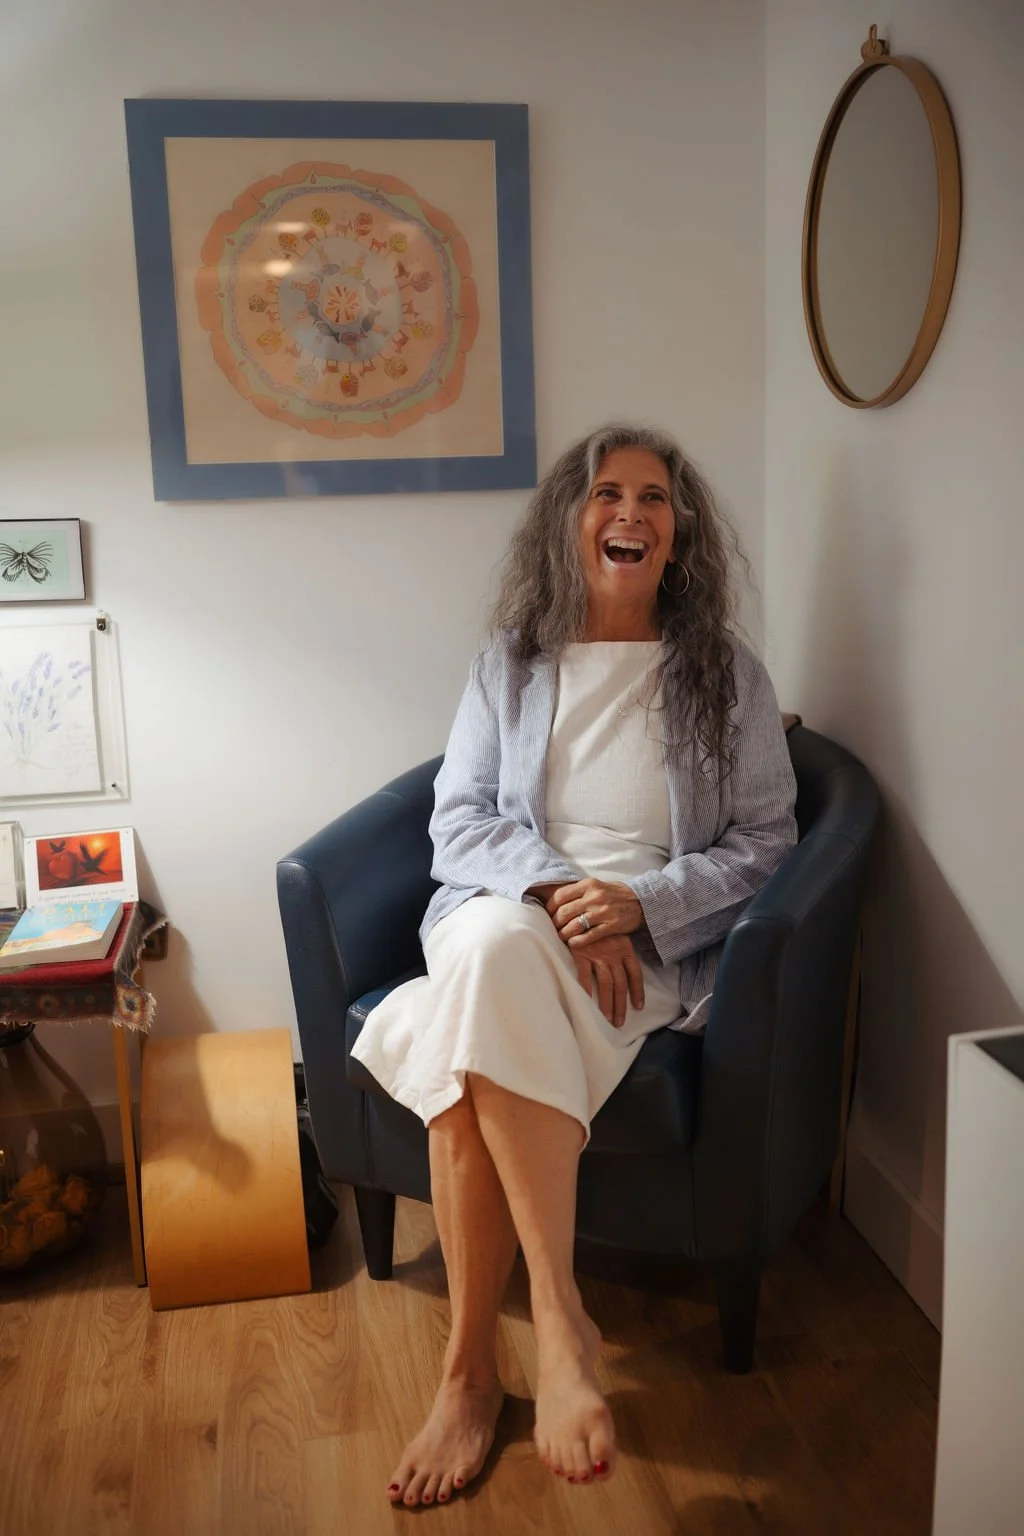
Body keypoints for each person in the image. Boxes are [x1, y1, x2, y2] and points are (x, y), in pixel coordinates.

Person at [352, 424, 798, 1508]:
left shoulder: (724, 674)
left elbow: (767, 841)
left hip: (636, 954)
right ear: (569, 522)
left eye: (655, 497)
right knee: (499, 947)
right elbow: (455, 823)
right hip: (509, 913)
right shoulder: (505, 664)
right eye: (606, 493)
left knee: (467, 1048)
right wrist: (562, 896)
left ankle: (467, 1378)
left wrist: (634, 905)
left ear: (681, 535)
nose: (630, 513)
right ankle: (557, 1320)